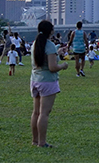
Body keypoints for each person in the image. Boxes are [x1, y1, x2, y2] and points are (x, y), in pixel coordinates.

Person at [31, 20, 68, 148]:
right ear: (50, 31)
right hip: (47, 82)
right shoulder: (50, 45)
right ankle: (42, 143)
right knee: (44, 113)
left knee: (36, 112)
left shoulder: (36, 44)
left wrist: (57, 53)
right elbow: (52, 67)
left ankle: (35, 140)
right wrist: (63, 65)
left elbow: (44, 59)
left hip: (35, 80)